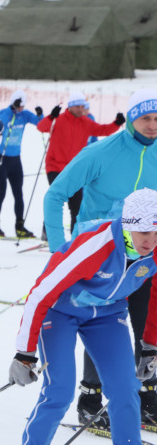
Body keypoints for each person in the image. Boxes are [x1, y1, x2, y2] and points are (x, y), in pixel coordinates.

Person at [7, 189, 157, 445]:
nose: (151, 240)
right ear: (129, 225)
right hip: (60, 311)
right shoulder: (97, 245)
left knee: (126, 390)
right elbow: (41, 294)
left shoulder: (154, 249)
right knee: (59, 391)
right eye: (144, 231)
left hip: (107, 314)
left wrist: (150, 345)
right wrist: (24, 353)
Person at [45, 89, 157, 427]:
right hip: (99, 257)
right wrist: (59, 253)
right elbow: (55, 195)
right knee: (102, 324)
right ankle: (90, 397)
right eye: (145, 118)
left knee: (146, 323)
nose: (152, 125)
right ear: (131, 118)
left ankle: (146, 395)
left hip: (144, 254)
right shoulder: (101, 151)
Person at [36, 93, 123, 239]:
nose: (81, 109)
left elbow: (103, 130)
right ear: (70, 106)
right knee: (56, 200)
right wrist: (51, 116)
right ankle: (48, 233)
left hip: (74, 169)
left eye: (83, 106)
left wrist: (117, 123)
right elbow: (41, 127)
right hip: (55, 166)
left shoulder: (85, 122)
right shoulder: (59, 119)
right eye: (78, 106)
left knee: (76, 206)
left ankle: (75, 239)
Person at [0, 91, 44, 239]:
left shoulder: (24, 115)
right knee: (1, 192)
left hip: (15, 160)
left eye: (23, 106)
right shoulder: (4, 113)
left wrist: (40, 115)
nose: (21, 108)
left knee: (18, 194)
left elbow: (40, 124)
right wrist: (10, 110)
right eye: (19, 105)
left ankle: (19, 226)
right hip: (0, 158)